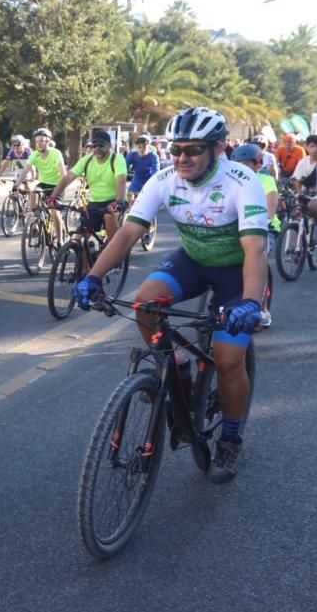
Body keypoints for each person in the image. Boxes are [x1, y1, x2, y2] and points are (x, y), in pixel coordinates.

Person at [73, 107, 268, 482]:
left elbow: (255, 250)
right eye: (176, 149)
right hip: (193, 261)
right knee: (145, 303)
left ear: (219, 148)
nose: (182, 158)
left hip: (236, 271)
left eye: (193, 149)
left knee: (228, 360)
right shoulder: (165, 179)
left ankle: (230, 438)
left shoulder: (242, 182)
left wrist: (250, 302)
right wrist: (93, 277)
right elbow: (128, 233)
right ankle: (177, 365)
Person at [49, 128, 127, 242]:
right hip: (94, 203)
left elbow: (121, 182)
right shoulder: (87, 160)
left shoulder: (117, 159)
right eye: (94, 146)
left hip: (114, 201)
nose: (97, 149)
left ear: (109, 146)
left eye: (101, 145)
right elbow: (67, 178)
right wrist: (53, 197)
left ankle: (114, 252)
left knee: (109, 216)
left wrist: (119, 203)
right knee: (80, 239)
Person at [231, 142, 278, 328]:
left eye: (247, 164)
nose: (242, 169)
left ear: (258, 164)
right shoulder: (230, 182)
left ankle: (262, 308)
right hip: (236, 228)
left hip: (265, 228)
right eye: (238, 165)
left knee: (259, 255)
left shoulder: (266, 181)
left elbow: (271, 205)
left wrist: (266, 220)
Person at [14, 128, 67, 242]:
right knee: (33, 194)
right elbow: (25, 171)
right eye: (37, 141)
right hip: (44, 184)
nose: (39, 144)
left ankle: (60, 240)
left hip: (57, 185)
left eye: (42, 141)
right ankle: (37, 224)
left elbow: (63, 174)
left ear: (48, 141)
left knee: (54, 213)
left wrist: (59, 190)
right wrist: (16, 185)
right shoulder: (35, 155)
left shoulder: (55, 153)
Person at [290, 134, 317, 244]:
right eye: (312, 146)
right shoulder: (303, 162)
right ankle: (297, 248)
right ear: (307, 147)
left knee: (312, 206)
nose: (315, 149)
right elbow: (297, 180)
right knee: (296, 216)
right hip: (305, 192)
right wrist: (298, 194)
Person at [125, 133, 159, 201]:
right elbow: (123, 168)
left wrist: (153, 186)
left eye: (144, 147)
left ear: (149, 146)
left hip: (149, 182)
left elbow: (155, 173)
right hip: (136, 182)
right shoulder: (132, 155)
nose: (141, 149)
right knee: (129, 197)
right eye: (139, 147)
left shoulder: (153, 157)